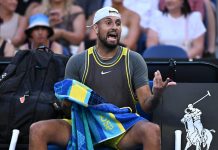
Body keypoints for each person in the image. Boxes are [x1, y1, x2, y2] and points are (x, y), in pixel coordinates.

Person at [29, 7, 176, 150]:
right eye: (108, 22)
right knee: (38, 130)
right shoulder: (77, 61)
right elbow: (68, 111)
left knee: (152, 130)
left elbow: (146, 105)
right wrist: (66, 103)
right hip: (84, 124)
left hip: (121, 126)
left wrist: (156, 95)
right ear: (96, 28)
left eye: (118, 23)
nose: (114, 27)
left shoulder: (134, 59)